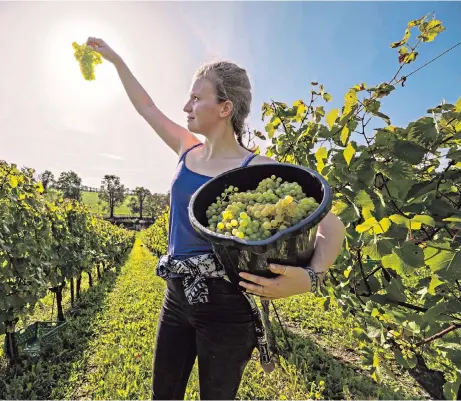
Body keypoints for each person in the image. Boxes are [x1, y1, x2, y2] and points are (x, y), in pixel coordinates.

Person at [87, 37, 346, 400]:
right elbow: (146, 107)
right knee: (163, 394)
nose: (186, 106)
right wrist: (114, 60)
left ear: (225, 108)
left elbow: (332, 226)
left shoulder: (257, 168)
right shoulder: (185, 149)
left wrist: (310, 279)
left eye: (196, 98)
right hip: (176, 297)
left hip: (227, 307)